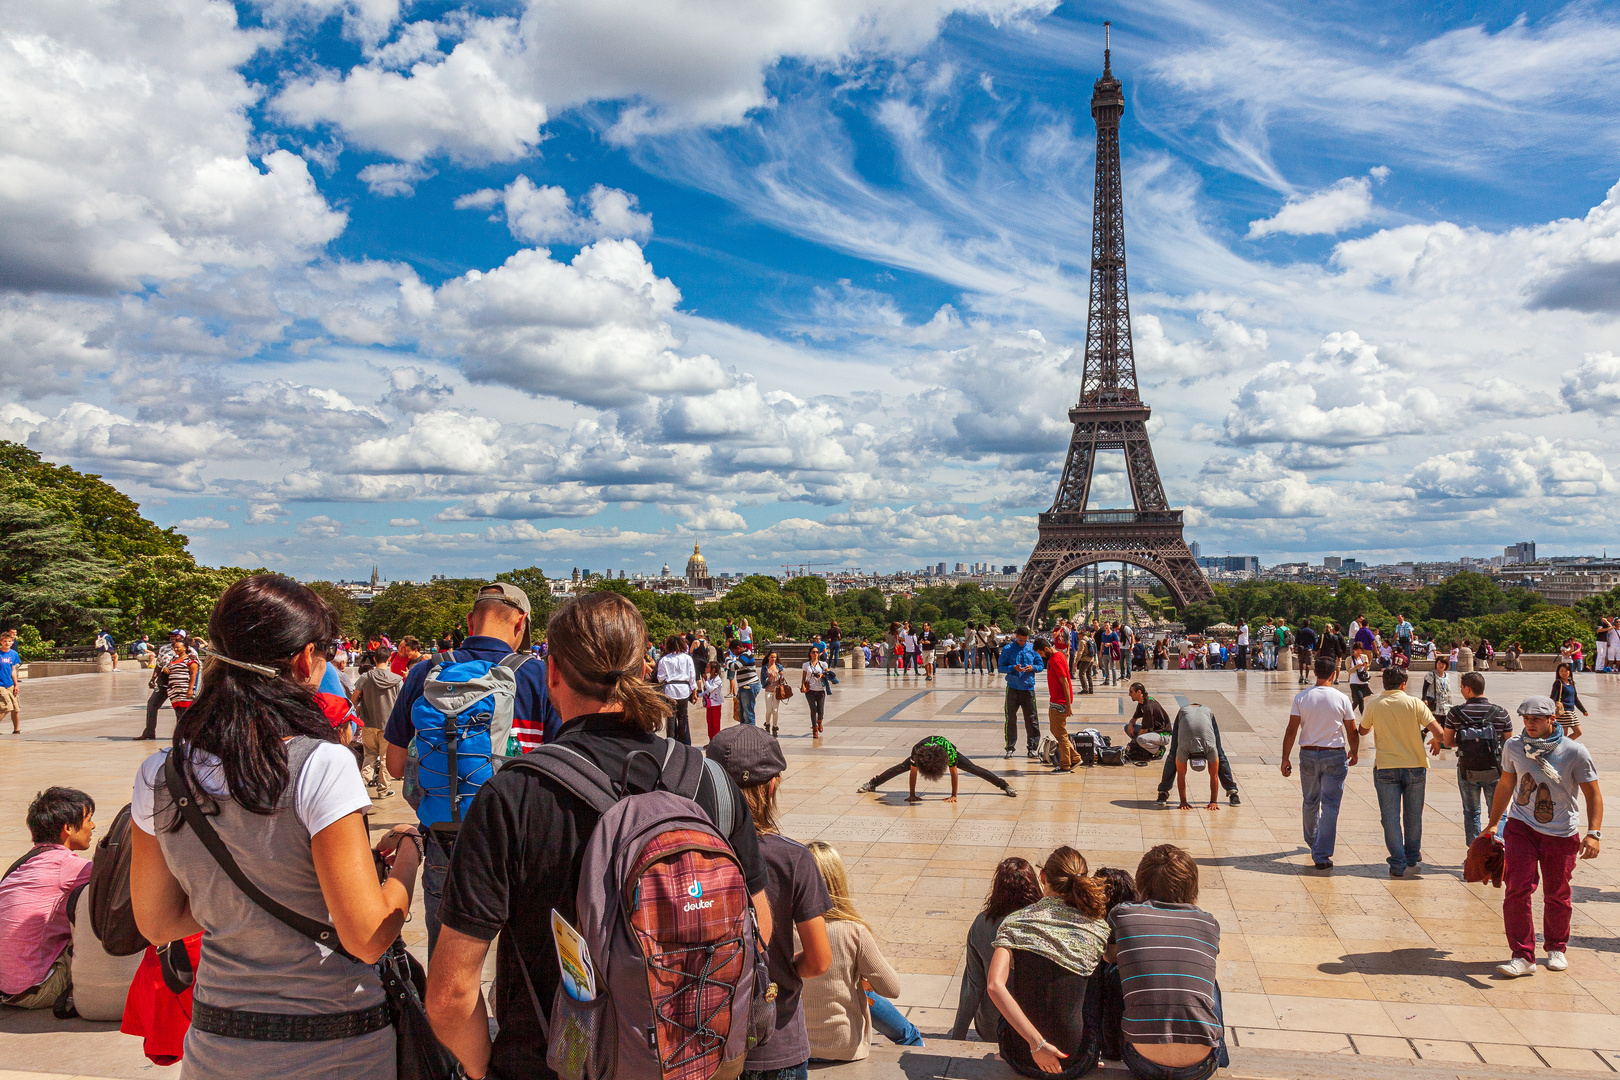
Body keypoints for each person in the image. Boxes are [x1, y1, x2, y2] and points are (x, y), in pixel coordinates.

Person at [424, 592, 772, 1080]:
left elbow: (449, 994)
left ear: (553, 672)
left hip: (559, 1059)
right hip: (691, 1057)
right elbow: (760, 927)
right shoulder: (710, 780)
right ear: (645, 667)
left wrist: (488, 1069)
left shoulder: (514, 796)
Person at [129, 575, 422, 1079]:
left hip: (218, 1041)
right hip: (334, 1042)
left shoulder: (162, 773)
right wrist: (409, 858)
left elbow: (157, 922)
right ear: (305, 658)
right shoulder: (320, 764)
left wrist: (240, 913)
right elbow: (369, 936)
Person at [383, 580, 560, 953]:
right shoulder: (538, 676)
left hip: (446, 837)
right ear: (522, 623)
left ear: (469, 621)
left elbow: (395, 765)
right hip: (520, 839)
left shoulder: (425, 672)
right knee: (524, 968)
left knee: (448, 967)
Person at [702, 724, 832, 1080]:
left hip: (708, 1042)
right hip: (776, 1041)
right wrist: (784, 968)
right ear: (773, 785)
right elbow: (820, 960)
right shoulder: (794, 859)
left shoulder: (696, 854)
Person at [1483, 696, 1603, 978]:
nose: (1530, 724)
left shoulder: (1574, 751)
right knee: (1517, 889)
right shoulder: (1514, 746)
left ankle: (1556, 947)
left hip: (1561, 831)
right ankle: (1522, 956)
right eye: (1525, 719)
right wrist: (1493, 824)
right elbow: (1506, 783)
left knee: (1558, 893)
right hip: (1521, 826)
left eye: (1536, 719)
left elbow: (1593, 794)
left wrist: (1593, 833)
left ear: (1552, 719)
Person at [986, 847, 1109, 1079]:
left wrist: (1037, 1044)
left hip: (1022, 1056)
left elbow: (994, 986)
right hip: (1075, 1059)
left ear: (1043, 878)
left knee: (1014, 982)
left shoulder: (1017, 921)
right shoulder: (1097, 926)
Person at [1107, 845, 1228, 1080]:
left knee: (1115, 971)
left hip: (1141, 1061)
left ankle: (1109, 1048)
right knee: (1208, 982)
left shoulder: (1122, 914)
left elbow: (1108, 957)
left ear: (1141, 883)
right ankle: (1222, 1058)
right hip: (1200, 1066)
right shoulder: (1209, 922)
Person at [802, 841, 920, 1060]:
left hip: (797, 1047)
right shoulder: (852, 931)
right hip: (845, 1047)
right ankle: (916, 1046)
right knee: (863, 989)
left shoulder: (777, 929)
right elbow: (892, 989)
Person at [0, 788, 95, 1010]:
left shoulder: (25, 864)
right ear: (68, 828)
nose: (92, 827)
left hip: (6, 989)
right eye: (88, 820)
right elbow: (121, 881)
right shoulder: (68, 866)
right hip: (35, 990)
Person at [1357, 667, 1445, 877]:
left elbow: (1362, 730)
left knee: (1390, 818)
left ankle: (1397, 862)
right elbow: (1439, 732)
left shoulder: (1374, 704)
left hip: (1386, 767)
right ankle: (1412, 856)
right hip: (1415, 766)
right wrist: (1436, 741)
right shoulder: (1415, 703)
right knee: (1413, 816)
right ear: (1403, 684)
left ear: (1384, 684)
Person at [1280, 657, 1360, 869]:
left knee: (1310, 800)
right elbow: (1352, 729)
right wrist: (1355, 750)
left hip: (1307, 754)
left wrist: (1285, 757)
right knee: (1331, 805)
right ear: (1334, 674)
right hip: (1334, 755)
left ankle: (1312, 840)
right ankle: (1322, 854)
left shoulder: (1301, 697)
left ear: (1315, 673)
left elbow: (1291, 730)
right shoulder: (1342, 698)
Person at [952, 857, 1042, 1042]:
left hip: (993, 1028)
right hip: (1039, 1027)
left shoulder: (982, 924)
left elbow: (973, 988)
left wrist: (957, 1036)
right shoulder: (1045, 923)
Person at [1440, 672, 1515, 846]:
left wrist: (1468, 744)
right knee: (1499, 812)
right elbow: (1509, 743)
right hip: (1495, 770)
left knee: (1472, 812)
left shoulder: (1455, 713)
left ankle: (1474, 852)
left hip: (1467, 770)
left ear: (1467, 689)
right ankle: (1498, 847)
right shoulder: (1500, 712)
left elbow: (1448, 741)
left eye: (1461, 688)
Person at [1138, 686, 1239, 806]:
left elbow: (1208, 776)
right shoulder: (1185, 749)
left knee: (1218, 753)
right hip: (1185, 714)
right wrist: (1212, 802)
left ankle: (1232, 791)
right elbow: (1212, 776)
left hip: (1206, 714)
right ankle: (1163, 791)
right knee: (1175, 754)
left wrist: (1185, 803)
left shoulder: (1210, 749)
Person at [857, 735, 1018, 800]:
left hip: (945, 749)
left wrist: (954, 795)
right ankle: (872, 783)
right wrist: (912, 795)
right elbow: (912, 773)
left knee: (975, 769)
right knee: (899, 768)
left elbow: (954, 773)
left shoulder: (950, 753)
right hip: (925, 751)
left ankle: (1005, 786)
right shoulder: (916, 752)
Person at [349, 645, 402, 797]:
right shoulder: (397, 680)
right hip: (389, 726)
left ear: (374, 658)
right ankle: (384, 790)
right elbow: (402, 704)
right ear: (390, 658)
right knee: (385, 758)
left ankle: (361, 785)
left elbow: (353, 700)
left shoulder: (365, 678)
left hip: (368, 723)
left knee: (369, 755)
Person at [1000, 626, 1044, 760]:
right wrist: (1013, 668)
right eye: (1020, 640)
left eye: (1025, 640)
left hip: (1028, 689)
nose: (1022, 642)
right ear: (1016, 635)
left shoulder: (1032, 648)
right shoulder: (1007, 649)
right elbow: (1000, 667)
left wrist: (1033, 667)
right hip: (1013, 688)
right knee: (1010, 719)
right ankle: (1010, 747)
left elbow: (1041, 665)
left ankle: (1032, 748)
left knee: (1032, 720)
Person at [1171, 704, 1223, 812]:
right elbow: (1214, 776)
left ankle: (1163, 790)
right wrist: (1214, 801)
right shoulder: (1211, 749)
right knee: (1221, 754)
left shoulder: (1184, 750)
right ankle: (1231, 788)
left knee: (1173, 754)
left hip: (1196, 711)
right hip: (1201, 710)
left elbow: (1181, 776)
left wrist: (1183, 802)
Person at [1036, 636, 1077, 772]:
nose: (1041, 656)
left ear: (1046, 649)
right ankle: (1075, 758)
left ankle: (1065, 765)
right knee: (1056, 731)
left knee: (1060, 734)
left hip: (1060, 701)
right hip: (1057, 699)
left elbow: (1065, 681)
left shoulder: (1054, 660)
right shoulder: (1059, 655)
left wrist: (1068, 705)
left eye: (1041, 653)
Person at [654, 632, 697, 744]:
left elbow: (660, 678)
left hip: (670, 689)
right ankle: (685, 742)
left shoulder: (664, 660)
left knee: (670, 717)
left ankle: (671, 741)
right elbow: (692, 676)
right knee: (683, 717)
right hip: (684, 690)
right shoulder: (687, 658)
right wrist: (694, 691)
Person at [162, 636, 200, 720]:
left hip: (184, 690)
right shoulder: (173, 659)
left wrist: (190, 689)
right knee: (178, 714)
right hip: (174, 691)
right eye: (174, 647)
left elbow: (194, 674)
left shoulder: (190, 659)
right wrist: (165, 668)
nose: (175, 649)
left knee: (186, 715)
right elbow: (168, 668)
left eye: (178, 647)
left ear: (185, 648)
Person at [725, 638, 760, 727]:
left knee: (748, 713)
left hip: (749, 686)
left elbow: (734, 666)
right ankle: (744, 734)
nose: (733, 653)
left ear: (738, 648)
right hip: (744, 686)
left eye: (733, 651)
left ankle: (751, 734)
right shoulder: (742, 655)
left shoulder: (745, 655)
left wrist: (727, 658)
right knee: (743, 714)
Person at [1550, 663, 1588, 733]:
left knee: (1578, 732)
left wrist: (1583, 710)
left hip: (1571, 712)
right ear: (1558, 672)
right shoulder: (1558, 683)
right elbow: (1553, 698)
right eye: (1561, 671)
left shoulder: (1571, 683)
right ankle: (1562, 744)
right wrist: (1552, 712)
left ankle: (1564, 744)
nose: (1564, 673)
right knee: (1564, 734)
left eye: (1566, 671)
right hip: (1563, 712)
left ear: (1570, 671)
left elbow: (1575, 698)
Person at [802, 647, 829, 737]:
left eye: (817, 652)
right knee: (813, 709)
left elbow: (829, 674)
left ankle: (819, 721)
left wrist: (823, 674)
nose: (815, 654)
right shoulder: (806, 665)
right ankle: (815, 729)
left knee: (820, 710)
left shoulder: (823, 664)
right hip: (810, 690)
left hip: (821, 690)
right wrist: (802, 685)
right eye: (813, 652)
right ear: (810, 653)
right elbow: (804, 677)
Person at [759, 650, 786, 736]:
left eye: (775, 657)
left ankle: (775, 727)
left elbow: (782, 680)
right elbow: (762, 682)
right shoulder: (764, 668)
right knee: (769, 710)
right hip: (768, 690)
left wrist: (782, 676)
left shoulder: (779, 667)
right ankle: (767, 724)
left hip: (777, 690)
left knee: (775, 710)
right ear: (768, 657)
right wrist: (769, 678)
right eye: (772, 657)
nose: (773, 659)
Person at [0, 629, 20, 735]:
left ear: (12, 642)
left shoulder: (14, 654)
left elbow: (13, 670)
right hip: (0, 685)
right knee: (7, 707)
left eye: (9, 641)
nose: (7, 643)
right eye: (4, 641)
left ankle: (16, 729)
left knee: (15, 708)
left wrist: (16, 685)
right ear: (1, 642)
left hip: (10, 684)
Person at [702, 659, 726, 739]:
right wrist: (696, 694)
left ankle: (716, 742)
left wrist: (705, 681)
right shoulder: (710, 679)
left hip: (716, 704)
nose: (706, 668)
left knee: (715, 724)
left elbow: (710, 689)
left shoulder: (717, 680)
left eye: (707, 667)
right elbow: (706, 692)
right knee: (709, 723)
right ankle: (711, 741)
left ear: (713, 669)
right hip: (710, 704)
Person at [1348, 643, 1372, 714]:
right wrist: (1356, 667)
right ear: (1353, 650)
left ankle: (1349, 713)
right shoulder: (1349, 659)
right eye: (1357, 650)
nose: (1359, 652)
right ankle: (1363, 716)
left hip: (1363, 681)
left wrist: (1366, 665)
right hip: (1354, 682)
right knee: (1360, 699)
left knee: (1357, 700)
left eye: (1360, 650)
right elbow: (1349, 670)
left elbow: (1367, 669)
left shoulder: (1364, 657)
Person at [1294, 619, 1317, 685]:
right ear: (1309, 624)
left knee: (1301, 663)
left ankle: (1301, 676)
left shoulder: (1299, 631)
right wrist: (1315, 649)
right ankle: (1306, 678)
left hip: (1301, 649)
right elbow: (1314, 641)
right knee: (1308, 664)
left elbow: (1296, 641)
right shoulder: (1311, 631)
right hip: (1309, 649)